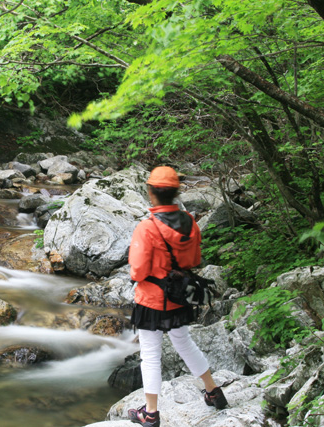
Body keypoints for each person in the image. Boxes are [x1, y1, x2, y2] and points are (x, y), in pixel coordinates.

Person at [127, 166, 227, 427]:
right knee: (184, 342)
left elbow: (137, 271)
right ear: (174, 192)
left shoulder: (147, 228)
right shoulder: (190, 222)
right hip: (181, 296)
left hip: (152, 299)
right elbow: (194, 259)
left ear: (151, 193)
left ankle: (150, 413)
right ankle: (213, 391)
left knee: (149, 353)